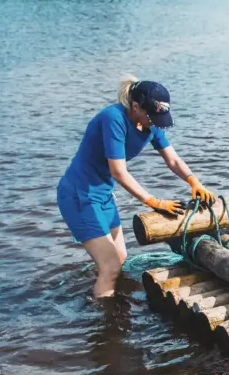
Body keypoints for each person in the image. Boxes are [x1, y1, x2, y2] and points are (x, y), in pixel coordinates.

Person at [57, 76, 215, 299]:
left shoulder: (150, 122)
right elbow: (118, 172)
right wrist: (154, 202)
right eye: (152, 117)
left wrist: (194, 181)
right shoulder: (114, 119)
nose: (156, 122)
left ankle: (107, 304)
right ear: (136, 106)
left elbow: (173, 160)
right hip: (79, 195)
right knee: (110, 267)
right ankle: (104, 323)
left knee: (119, 259)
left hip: (102, 193)